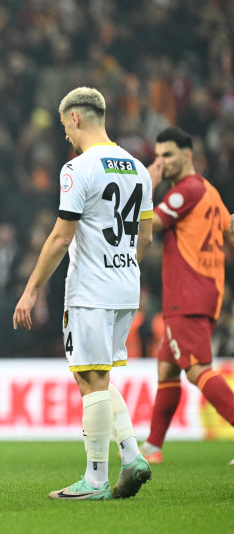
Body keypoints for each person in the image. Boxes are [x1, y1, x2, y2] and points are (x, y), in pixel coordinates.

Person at [13, 87, 154, 500]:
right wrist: (121, 268)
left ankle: (95, 479)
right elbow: (146, 236)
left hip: (90, 289)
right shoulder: (138, 169)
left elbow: (61, 237)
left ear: (75, 118)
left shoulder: (77, 168)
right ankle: (132, 455)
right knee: (98, 375)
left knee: (88, 377)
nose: (66, 136)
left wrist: (31, 290)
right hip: (126, 287)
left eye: (64, 127)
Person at [140, 126, 234, 464]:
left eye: (168, 155)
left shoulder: (186, 191)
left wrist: (146, 188)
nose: (161, 162)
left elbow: (152, 224)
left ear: (187, 155)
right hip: (203, 291)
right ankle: (152, 447)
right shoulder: (210, 192)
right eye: (157, 156)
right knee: (167, 369)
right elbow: (229, 231)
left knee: (197, 369)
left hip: (188, 295)